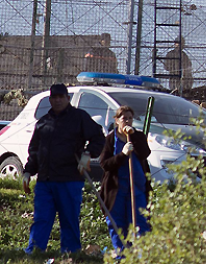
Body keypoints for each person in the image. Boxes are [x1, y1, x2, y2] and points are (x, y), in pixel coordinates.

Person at [22, 83, 105, 254]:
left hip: (70, 179)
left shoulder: (79, 118)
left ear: (68, 98)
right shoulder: (44, 122)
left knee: (69, 218)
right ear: (50, 100)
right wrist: (28, 171)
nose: (58, 100)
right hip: (45, 181)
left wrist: (87, 154)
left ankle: (70, 252)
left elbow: (98, 137)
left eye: (61, 97)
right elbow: (35, 149)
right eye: (54, 97)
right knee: (41, 218)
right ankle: (35, 251)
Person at [99, 106, 152, 253]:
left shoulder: (138, 136)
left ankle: (141, 254)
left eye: (130, 118)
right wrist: (122, 155)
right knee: (117, 222)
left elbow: (145, 153)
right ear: (117, 121)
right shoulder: (110, 139)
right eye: (124, 119)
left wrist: (134, 138)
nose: (127, 121)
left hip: (137, 188)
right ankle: (122, 254)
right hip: (116, 189)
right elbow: (105, 164)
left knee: (139, 221)